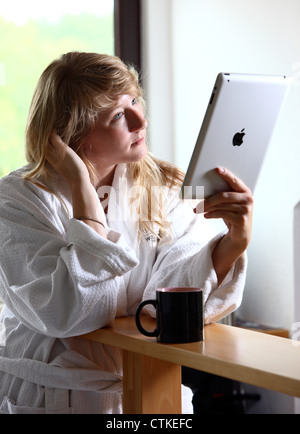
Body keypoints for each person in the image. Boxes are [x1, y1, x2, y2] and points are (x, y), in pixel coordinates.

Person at [0, 52, 253, 414]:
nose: (141, 119)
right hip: (49, 396)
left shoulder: (163, 188)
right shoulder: (18, 200)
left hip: (149, 390)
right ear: (74, 134)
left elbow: (169, 304)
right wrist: (82, 190)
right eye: (119, 115)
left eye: (135, 101)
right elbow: (68, 313)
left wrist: (234, 242)